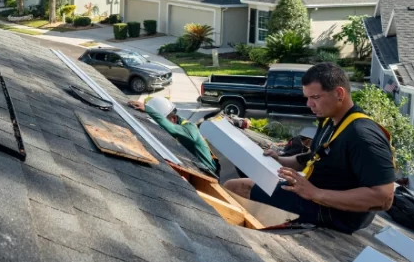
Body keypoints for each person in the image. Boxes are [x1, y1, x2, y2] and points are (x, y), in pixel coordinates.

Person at [223, 63, 396, 233]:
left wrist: (315, 193)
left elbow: (384, 197)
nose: (309, 104)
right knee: (247, 179)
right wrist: (280, 159)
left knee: (236, 187)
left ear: (339, 94)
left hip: (334, 212)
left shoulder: (362, 134)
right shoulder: (331, 120)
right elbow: (312, 157)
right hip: (316, 196)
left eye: (315, 97)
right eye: (307, 97)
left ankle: (236, 235)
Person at [128, 96, 218, 175]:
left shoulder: (190, 129)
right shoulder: (178, 125)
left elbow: (171, 128)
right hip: (194, 167)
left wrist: (149, 110)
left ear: (173, 118)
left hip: (208, 171)